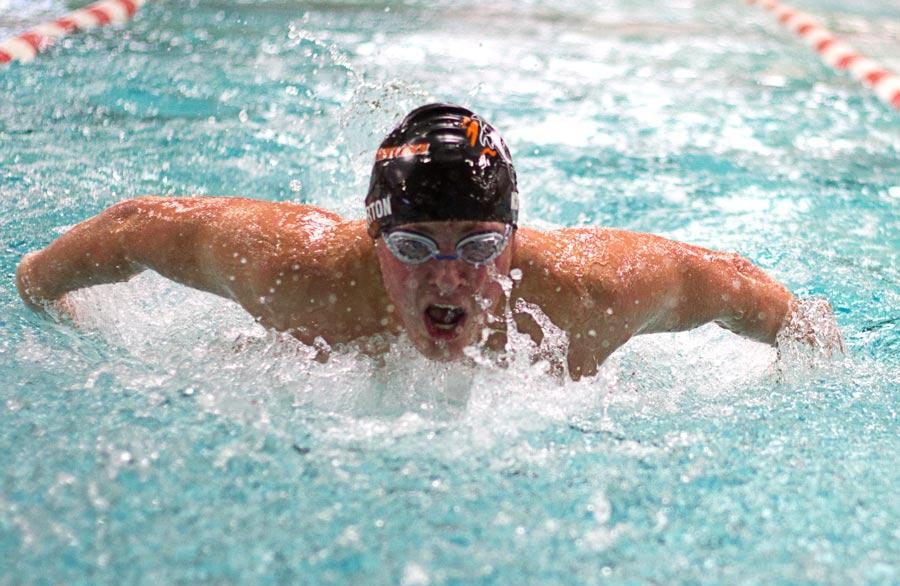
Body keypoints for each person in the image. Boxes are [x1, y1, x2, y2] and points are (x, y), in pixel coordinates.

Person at [15, 103, 838, 380]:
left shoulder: (590, 294)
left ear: (514, 242)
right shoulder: (296, 273)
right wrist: (41, 294)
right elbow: (136, 228)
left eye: (478, 247)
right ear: (372, 240)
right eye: (413, 248)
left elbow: (741, 289)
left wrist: (818, 356)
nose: (448, 277)